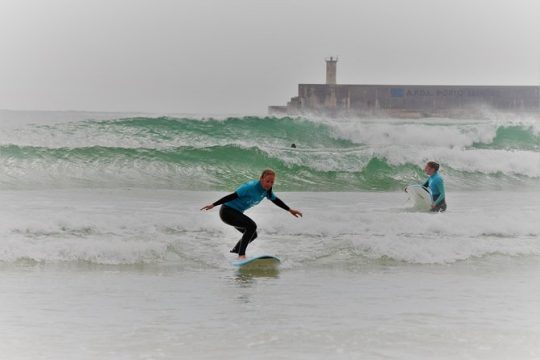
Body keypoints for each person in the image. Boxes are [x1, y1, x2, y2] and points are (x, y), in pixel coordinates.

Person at [200, 169, 303, 259]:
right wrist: (213, 204)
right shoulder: (250, 187)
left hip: (236, 214)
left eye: (272, 182)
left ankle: (235, 252)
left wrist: (290, 210)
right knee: (251, 226)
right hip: (227, 212)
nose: (269, 184)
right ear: (261, 179)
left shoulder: (266, 191)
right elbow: (232, 196)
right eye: (267, 181)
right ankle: (241, 255)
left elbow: (275, 200)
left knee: (253, 235)